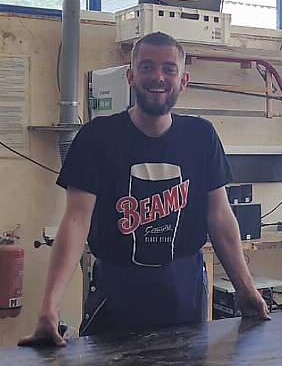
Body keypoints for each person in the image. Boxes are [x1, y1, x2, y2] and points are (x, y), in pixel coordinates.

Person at [19, 32, 268, 346]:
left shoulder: (201, 136)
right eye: (147, 67)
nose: (158, 77)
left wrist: (246, 289)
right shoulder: (97, 137)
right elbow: (76, 221)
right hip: (116, 291)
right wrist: (49, 308)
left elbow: (219, 218)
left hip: (184, 290)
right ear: (131, 75)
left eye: (169, 69)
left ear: (183, 80)